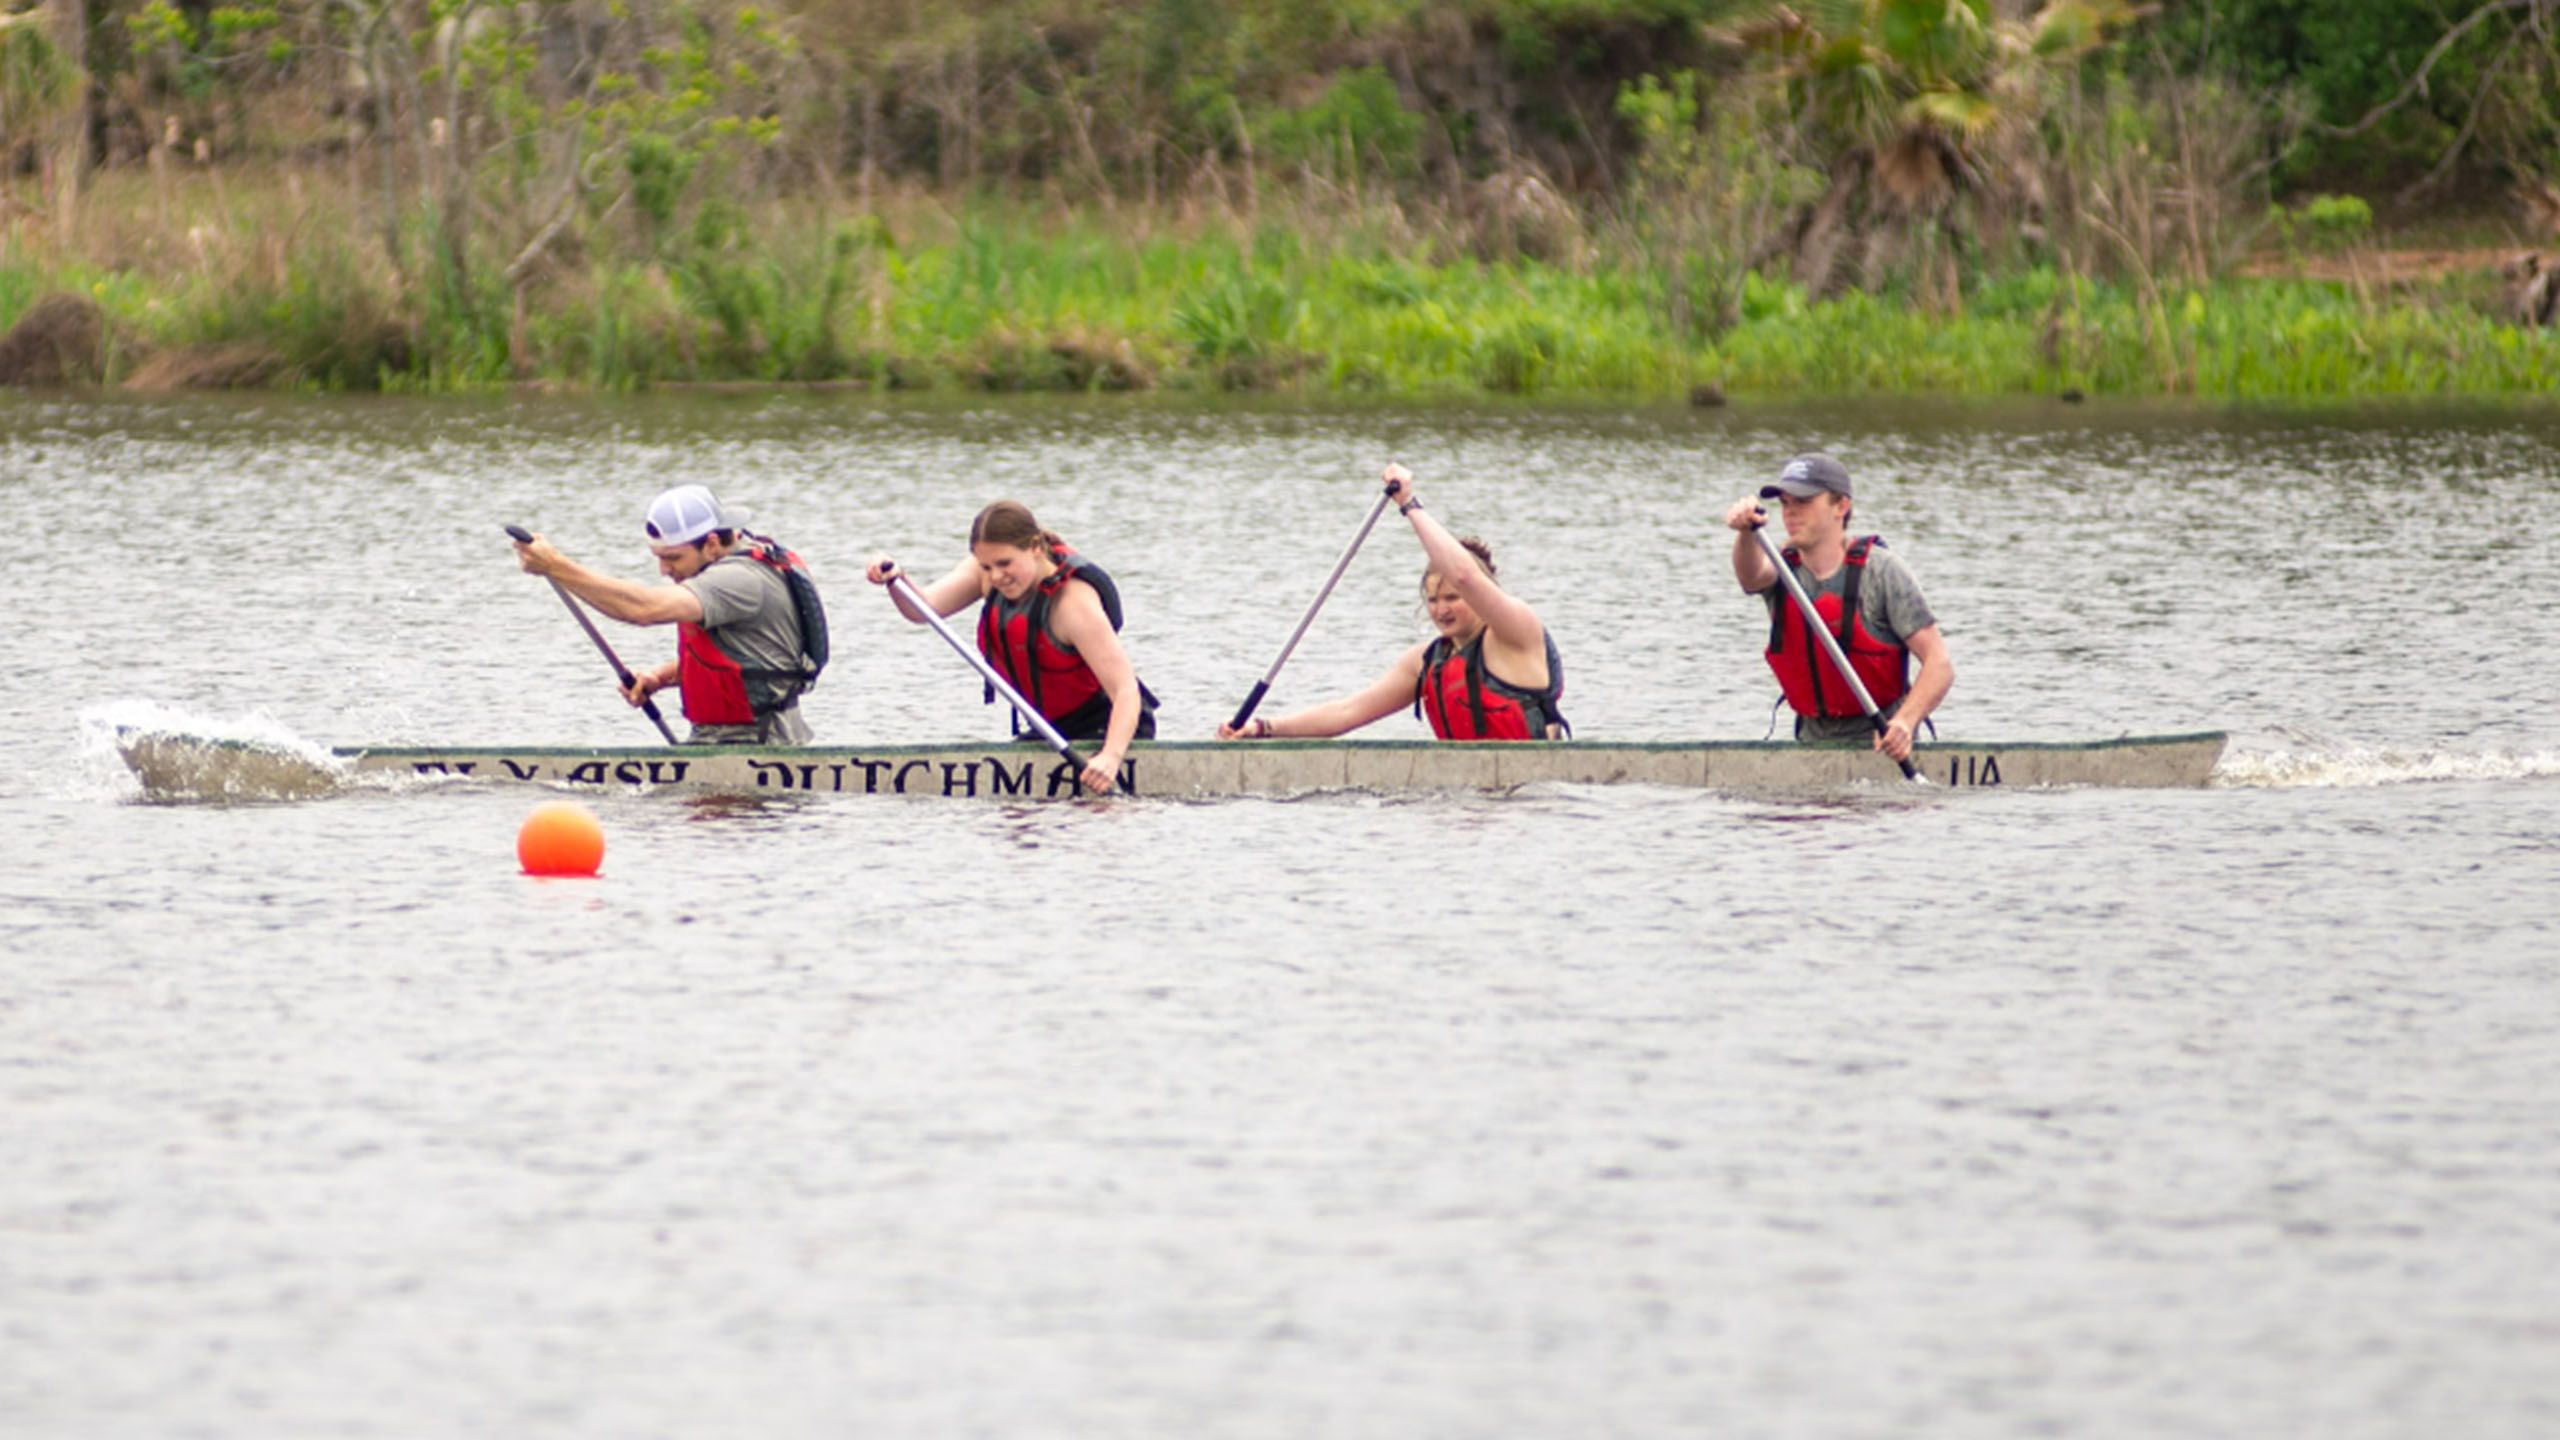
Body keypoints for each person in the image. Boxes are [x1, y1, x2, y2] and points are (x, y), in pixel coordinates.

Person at [1217, 463, 1566, 743]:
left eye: (1452, 599)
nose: (1441, 609)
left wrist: (1409, 505)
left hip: (1524, 804)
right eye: (1432, 600)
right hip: (1463, 805)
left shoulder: (1515, 631)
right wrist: (1263, 728)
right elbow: (1347, 713)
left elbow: (1464, 575)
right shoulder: (1425, 661)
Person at [867, 500, 1156, 795]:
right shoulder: (987, 572)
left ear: (1035, 547)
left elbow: (1125, 690)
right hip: (1050, 730)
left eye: (1005, 564)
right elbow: (923, 609)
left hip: (1109, 730)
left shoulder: (1073, 602)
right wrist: (896, 580)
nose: (995, 576)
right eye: (986, 566)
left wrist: (1110, 756)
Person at [512, 484, 823, 745]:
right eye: (659, 558)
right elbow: (749, 659)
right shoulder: (740, 563)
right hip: (734, 740)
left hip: (757, 745)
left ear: (712, 543)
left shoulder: (740, 579)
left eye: (673, 557)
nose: (664, 570)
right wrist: (659, 678)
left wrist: (556, 566)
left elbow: (644, 609)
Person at [1723, 452, 1952, 762]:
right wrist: (1746, 534)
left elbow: (1939, 664)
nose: (1790, 513)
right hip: (1810, 745)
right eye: (1786, 503)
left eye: (1803, 502)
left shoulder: (1883, 572)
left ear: (1841, 507)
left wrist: (1905, 722)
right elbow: (1750, 578)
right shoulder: (1780, 568)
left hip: (1883, 747)